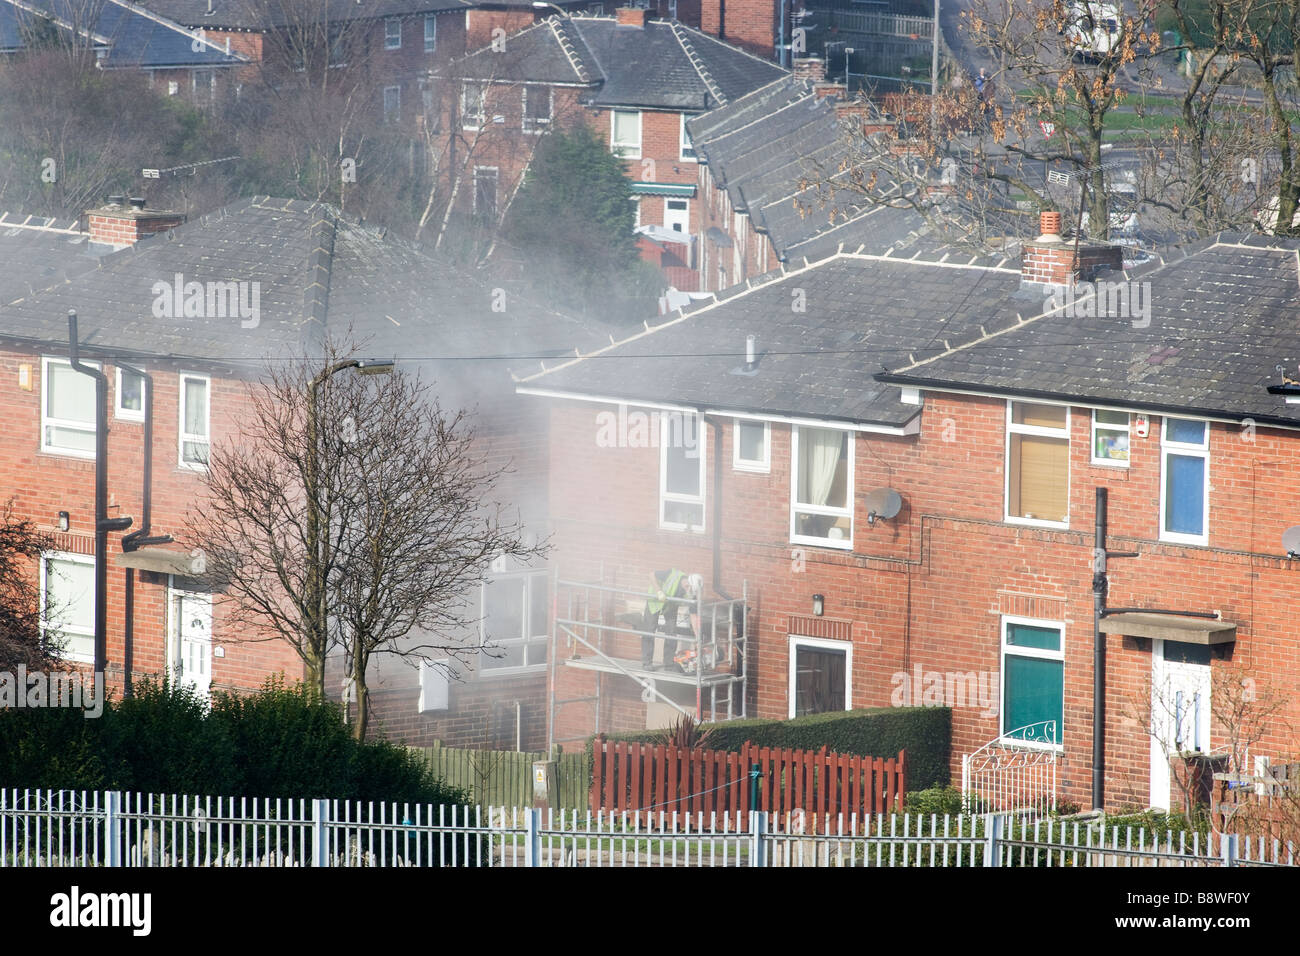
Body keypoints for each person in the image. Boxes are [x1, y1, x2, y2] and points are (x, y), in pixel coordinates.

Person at [641, 570, 702, 671]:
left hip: (670, 606)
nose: (689, 590)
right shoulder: (672, 574)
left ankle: (669, 664)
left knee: (671, 632)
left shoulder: (692, 593)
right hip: (655, 602)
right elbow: (651, 574)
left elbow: (693, 615)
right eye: (688, 587)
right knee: (649, 631)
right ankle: (646, 663)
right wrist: (658, 591)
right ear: (687, 582)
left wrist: (697, 636)